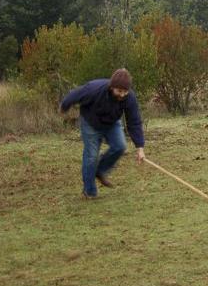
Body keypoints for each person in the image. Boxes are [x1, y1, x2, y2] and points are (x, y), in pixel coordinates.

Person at [60, 68, 145, 199]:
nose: (122, 95)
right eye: (119, 91)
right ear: (112, 87)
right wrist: (64, 105)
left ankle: (100, 170)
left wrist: (140, 147)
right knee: (91, 157)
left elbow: (134, 121)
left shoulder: (129, 98)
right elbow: (76, 94)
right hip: (90, 123)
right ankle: (89, 192)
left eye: (125, 92)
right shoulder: (95, 89)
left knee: (120, 146)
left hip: (112, 124)